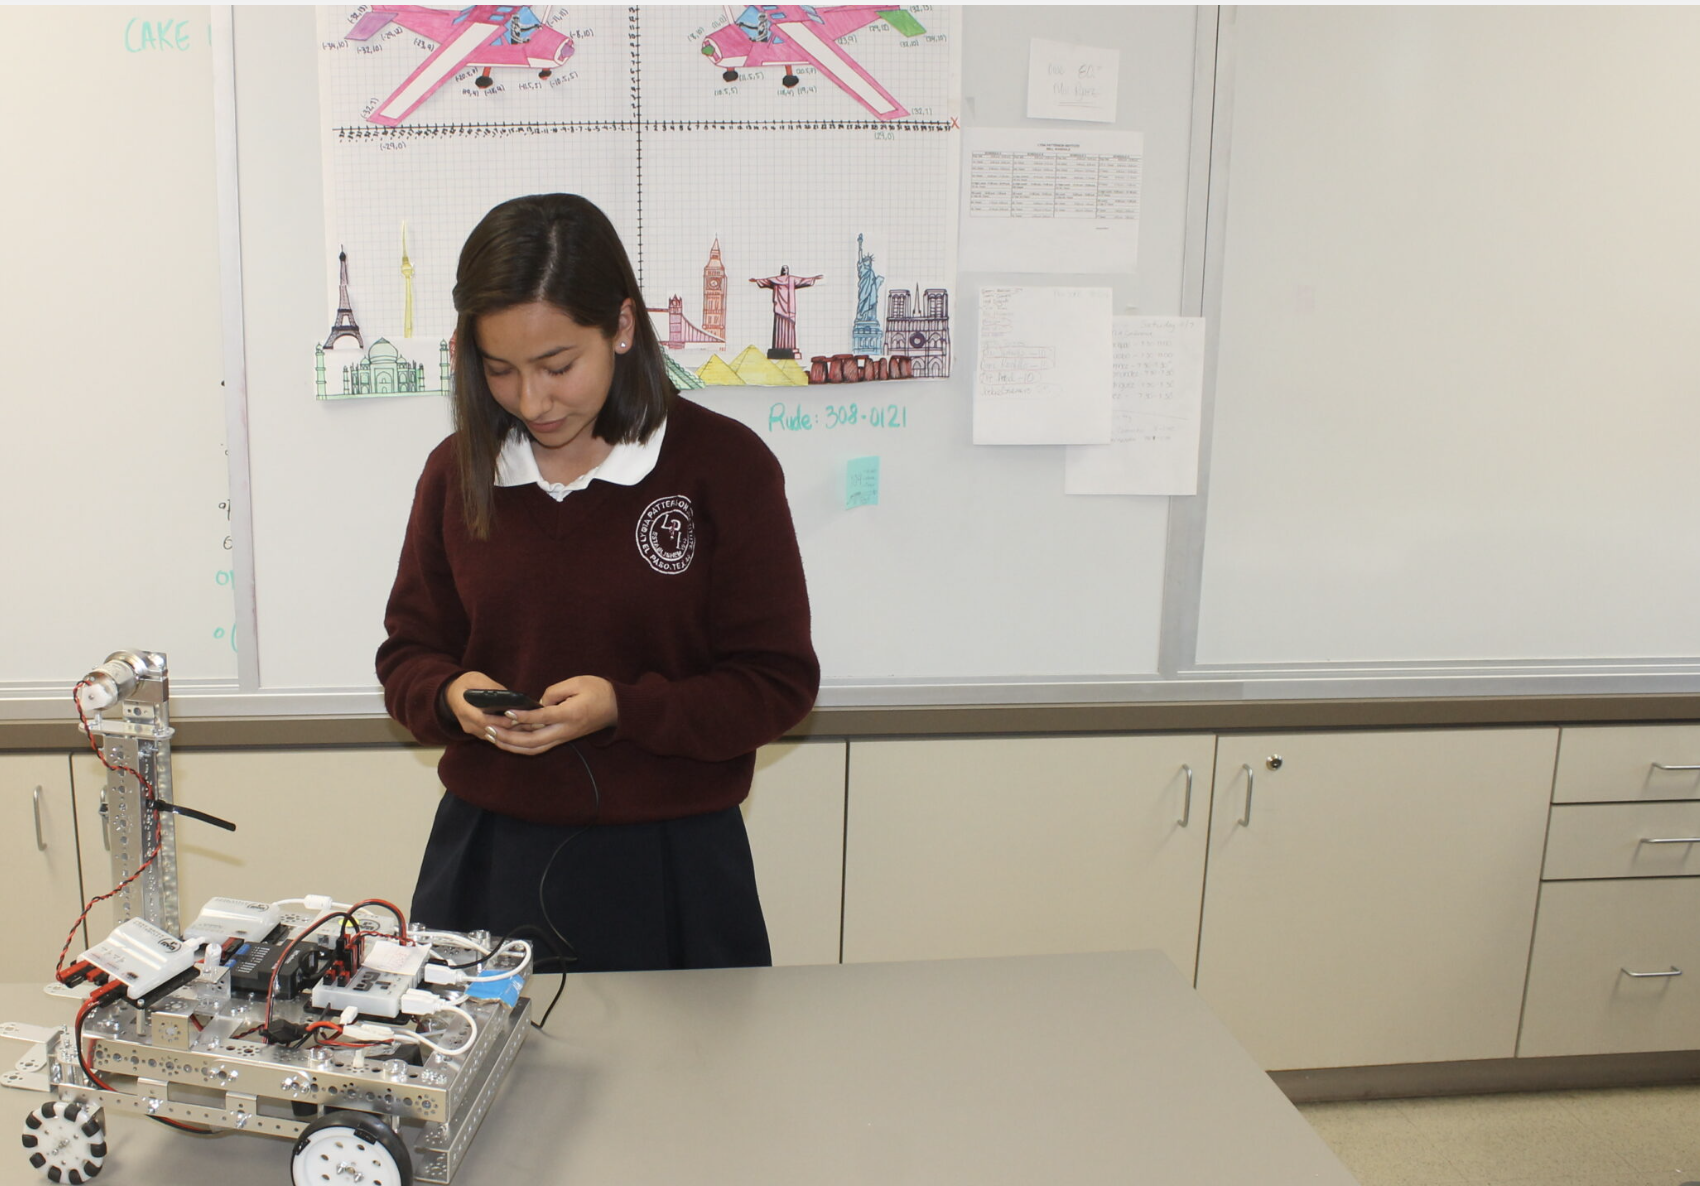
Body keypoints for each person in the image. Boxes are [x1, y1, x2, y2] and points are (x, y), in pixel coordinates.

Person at [377, 193, 819, 973]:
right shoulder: (459, 472)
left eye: (557, 367)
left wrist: (623, 707)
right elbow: (409, 655)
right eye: (500, 370)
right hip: (484, 859)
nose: (532, 401)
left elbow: (776, 684)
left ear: (621, 326)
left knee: (694, 1092)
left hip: (675, 864)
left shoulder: (723, 467)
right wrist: (454, 698)